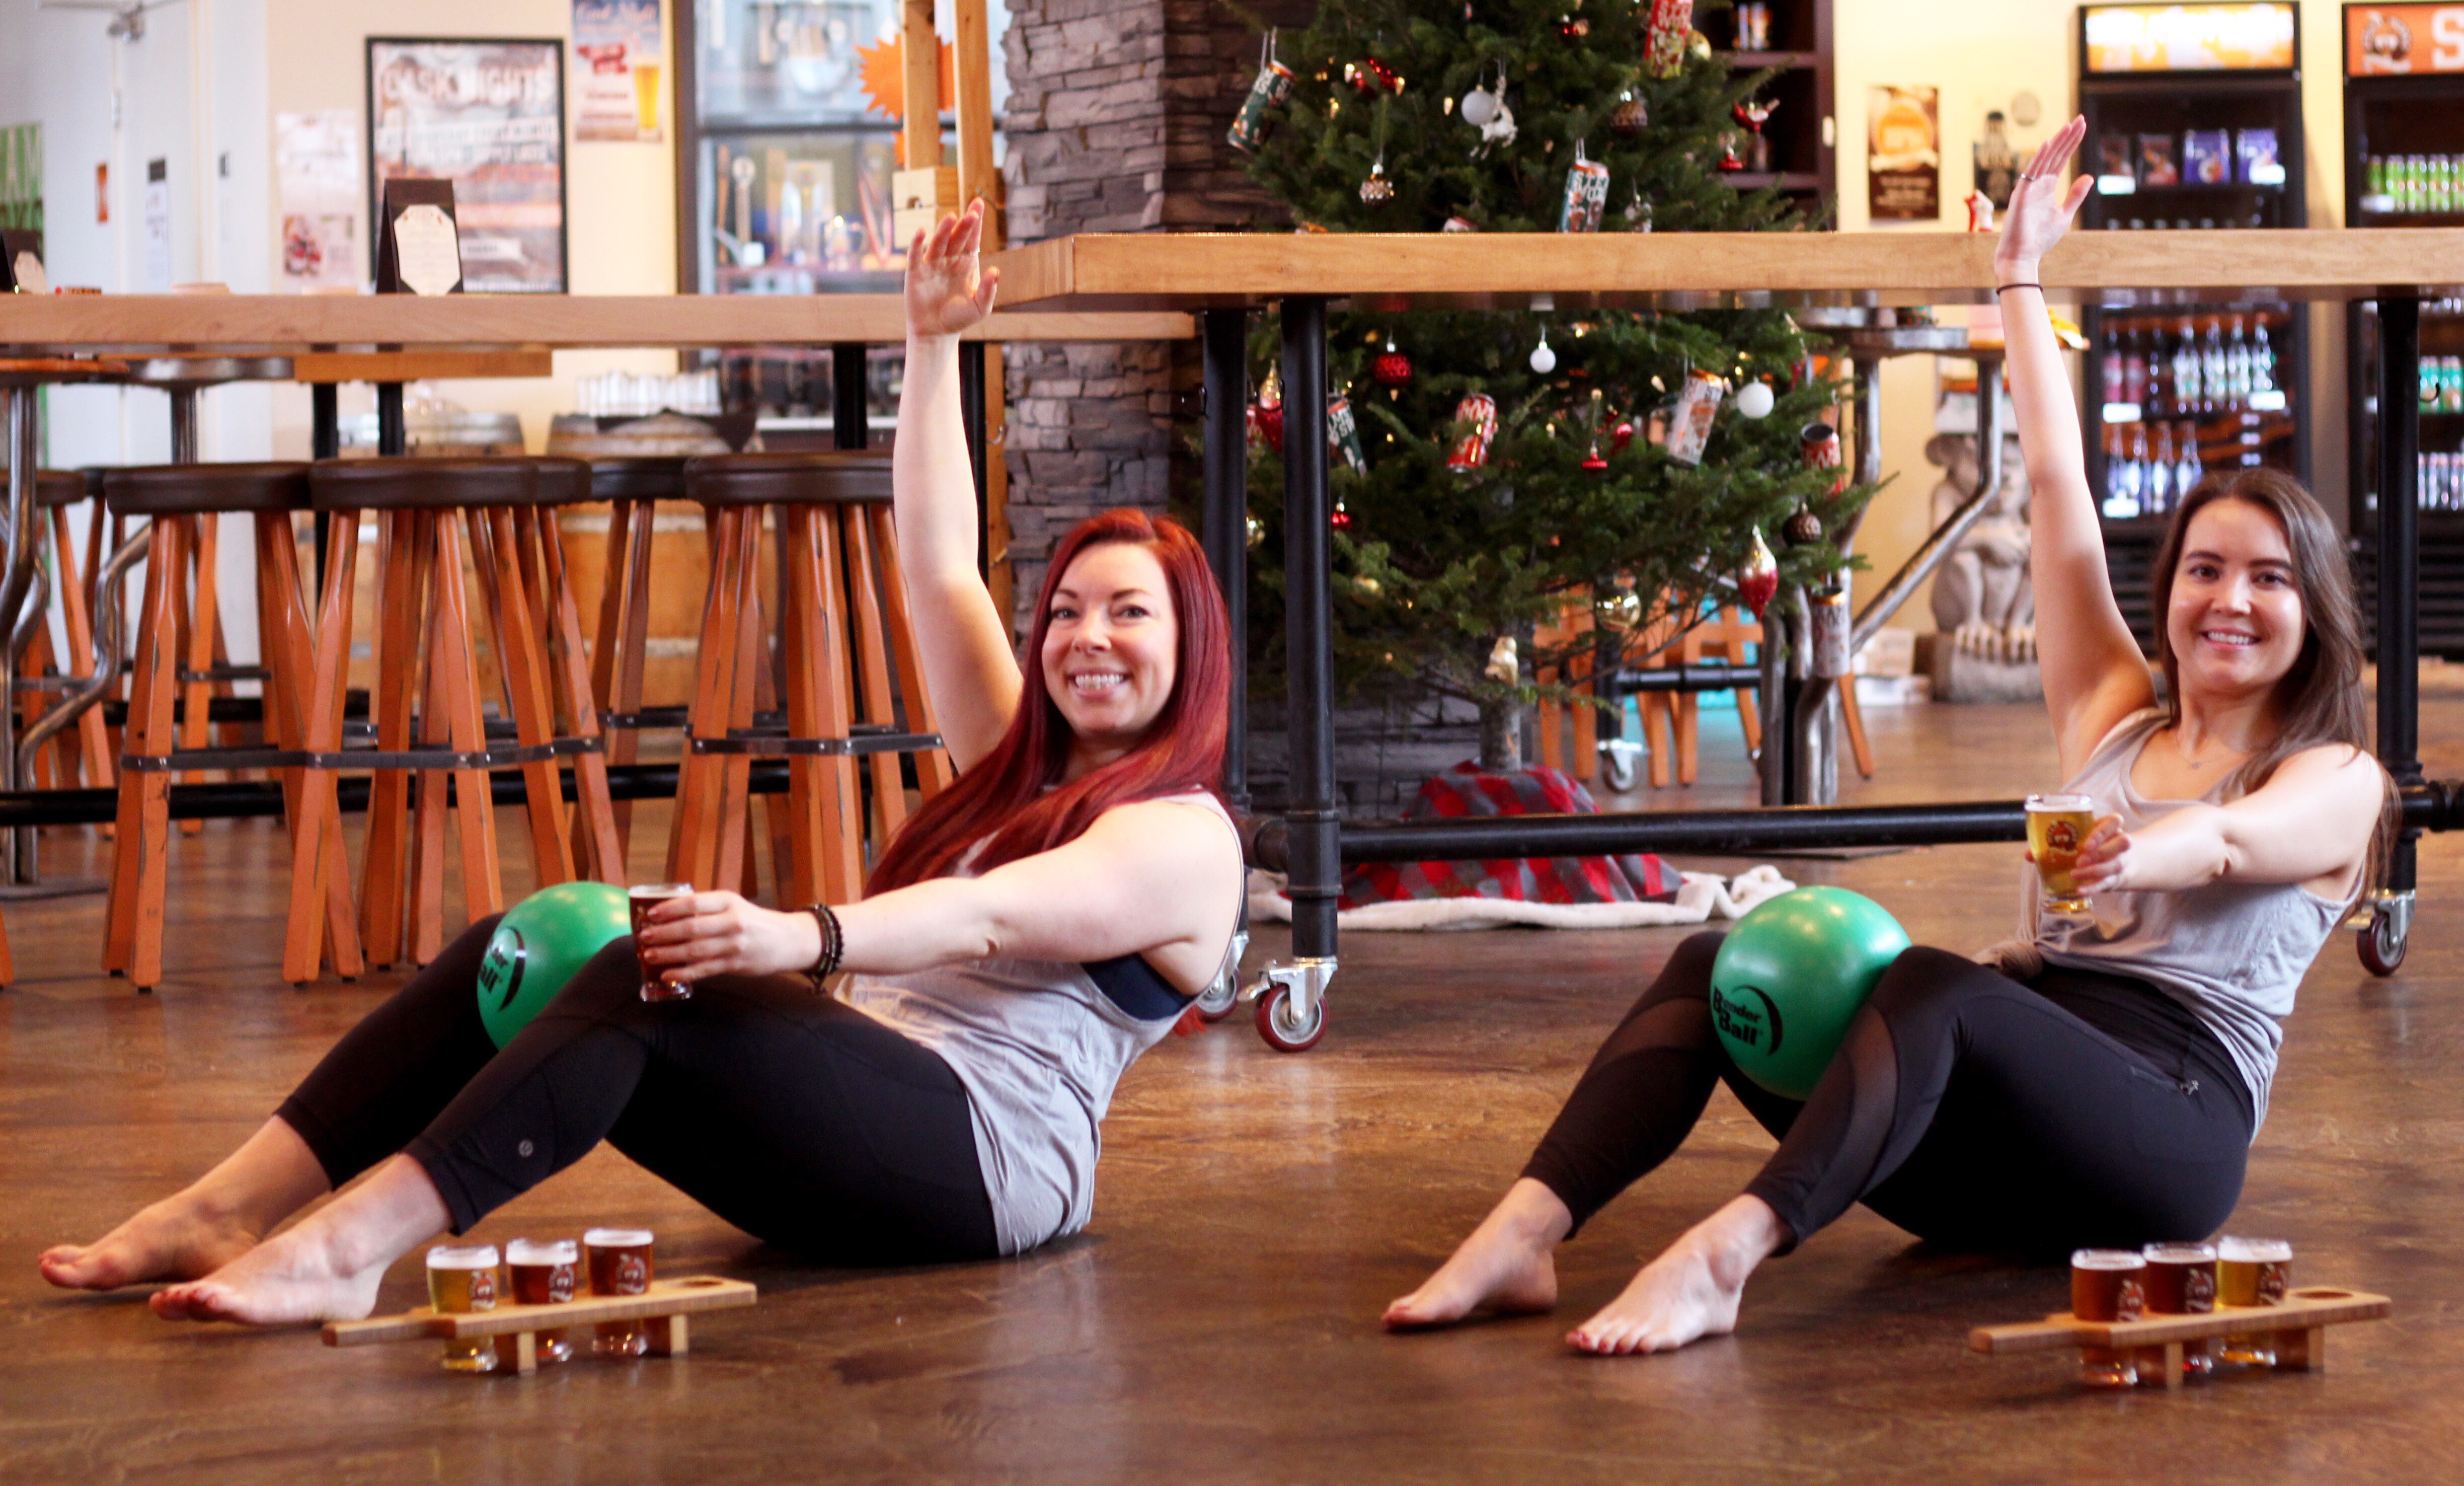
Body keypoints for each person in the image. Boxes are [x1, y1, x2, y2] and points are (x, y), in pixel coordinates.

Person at [39, 201, 1246, 1324]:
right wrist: (928, 347)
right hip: (859, 1118)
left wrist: (797, 937)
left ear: (1192, 645)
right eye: (1070, 611)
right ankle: (227, 1207)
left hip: (983, 1165)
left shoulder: (1186, 838)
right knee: (525, 944)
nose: (1089, 638)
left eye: (1132, 615)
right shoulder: (1016, 759)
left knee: (644, 970)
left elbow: (989, 916)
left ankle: (349, 1251)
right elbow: (935, 566)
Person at [1383, 117, 2393, 1356]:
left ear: (2316, 613)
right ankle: (1529, 1232)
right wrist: (2018, 280)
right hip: (2000, 1149)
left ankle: (1726, 1255)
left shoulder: (2337, 775)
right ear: (2170, 588)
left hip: (2165, 1142)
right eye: (2204, 571)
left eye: (2269, 581)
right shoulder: (2115, 715)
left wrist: (2150, 852)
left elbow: (2238, 844)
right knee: (1731, 963)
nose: (2229, 601)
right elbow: (2058, 496)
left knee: (1935, 985)